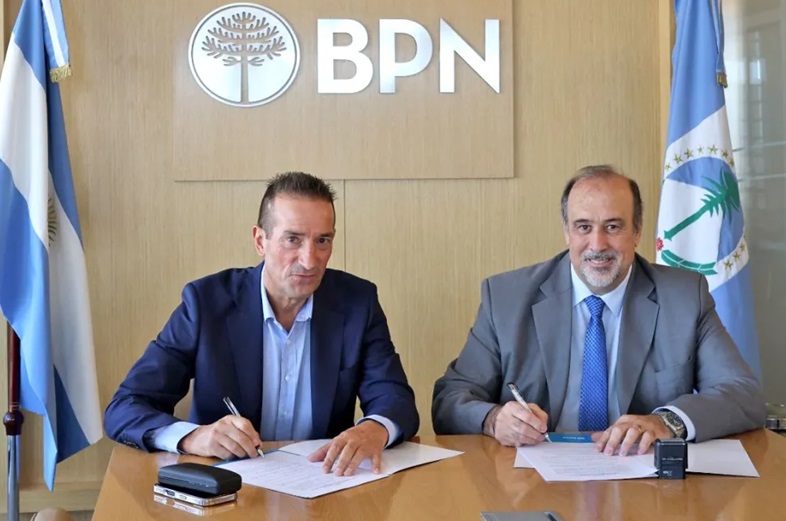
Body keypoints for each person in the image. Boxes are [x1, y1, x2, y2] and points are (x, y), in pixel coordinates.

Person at [432, 164, 765, 457]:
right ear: (566, 232)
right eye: (583, 227)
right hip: (533, 478)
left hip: (641, 476)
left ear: (637, 231)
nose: (597, 245)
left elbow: (743, 394)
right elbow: (450, 399)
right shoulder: (507, 298)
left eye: (613, 227)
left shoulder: (684, 297)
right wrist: (493, 420)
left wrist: (667, 422)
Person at [105, 171, 419, 477]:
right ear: (260, 240)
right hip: (227, 488)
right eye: (292, 239)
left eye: (322, 240)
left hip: (323, 482)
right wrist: (193, 437)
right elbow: (126, 406)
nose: (309, 260)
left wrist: (374, 429)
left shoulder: (357, 302)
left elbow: (395, 399)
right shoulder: (206, 303)